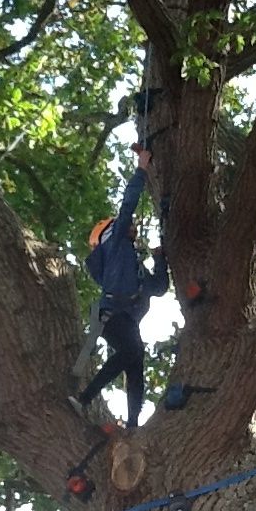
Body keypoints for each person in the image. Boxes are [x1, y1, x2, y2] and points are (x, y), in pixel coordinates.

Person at [70, 149, 169, 428]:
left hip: (124, 319)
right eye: (128, 225)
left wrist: (160, 260)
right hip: (111, 314)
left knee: (136, 361)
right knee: (131, 352)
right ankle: (84, 399)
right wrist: (141, 169)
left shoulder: (134, 266)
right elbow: (128, 205)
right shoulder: (115, 247)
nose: (133, 226)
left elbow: (159, 287)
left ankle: (133, 425)